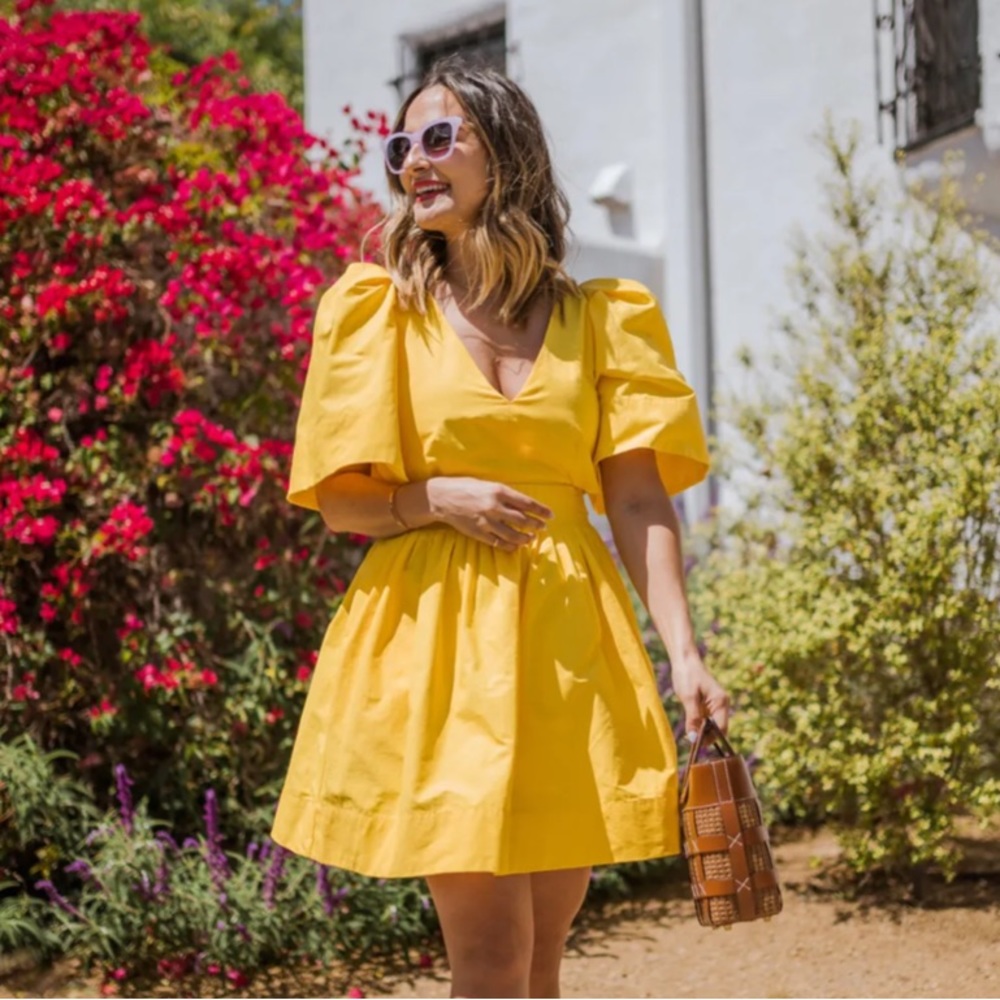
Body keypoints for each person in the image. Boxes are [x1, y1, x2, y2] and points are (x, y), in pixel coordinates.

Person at [270, 58, 730, 1000]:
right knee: (488, 953)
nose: (413, 163)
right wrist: (434, 498)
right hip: (438, 648)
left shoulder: (604, 320)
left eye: (441, 138)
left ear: (506, 153)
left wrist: (683, 653)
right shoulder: (378, 313)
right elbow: (341, 499)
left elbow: (638, 500)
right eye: (402, 147)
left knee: (544, 955)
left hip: (566, 645)